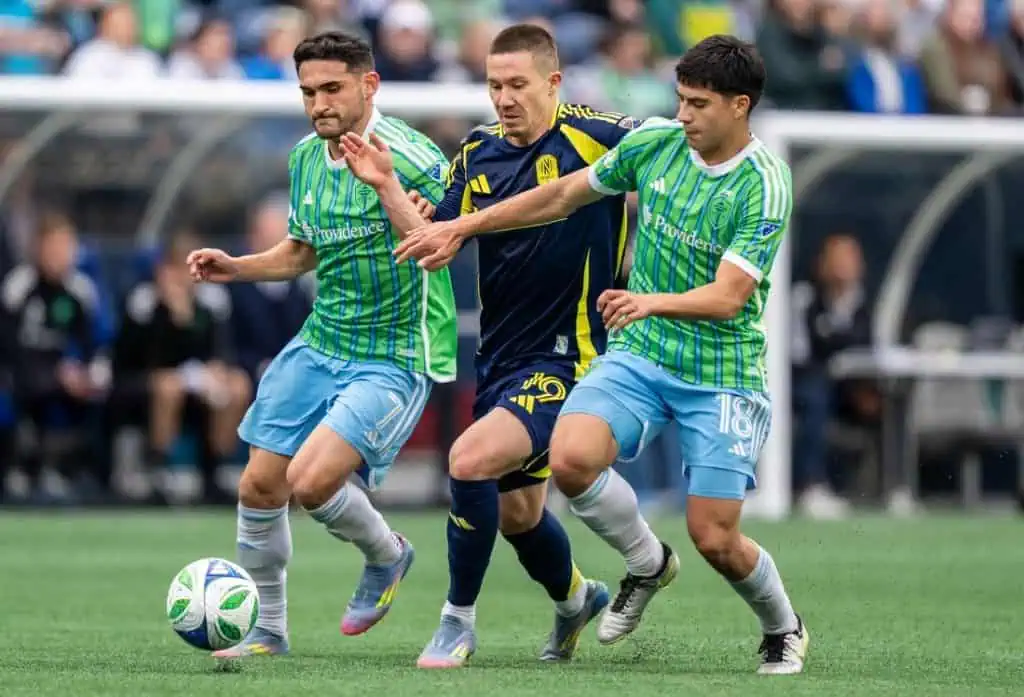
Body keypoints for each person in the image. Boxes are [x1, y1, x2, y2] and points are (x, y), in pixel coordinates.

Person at [396, 34, 809, 675]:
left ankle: (782, 625)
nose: (684, 116)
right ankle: (646, 563)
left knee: (716, 537)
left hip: (720, 370)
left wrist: (649, 301)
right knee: (570, 459)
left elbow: (730, 297)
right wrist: (461, 224)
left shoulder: (765, 184)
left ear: (739, 106)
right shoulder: (656, 145)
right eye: (679, 100)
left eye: (698, 104)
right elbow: (562, 194)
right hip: (642, 355)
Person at [341, 23, 639, 668]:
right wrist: (388, 187)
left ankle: (457, 621)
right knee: (519, 515)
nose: (503, 98)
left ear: (553, 83)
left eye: (517, 85)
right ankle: (575, 600)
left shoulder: (598, 134)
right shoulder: (476, 152)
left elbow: (673, 154)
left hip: (574, 355)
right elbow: (434, 240)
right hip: (502, 359)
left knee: (469, 459)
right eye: (493, 85)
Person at [185, 31, 457, 660]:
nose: (319, 104)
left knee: (312, 482)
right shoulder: (307, 157)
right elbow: (303, 252)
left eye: (332, 89)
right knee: (258, 486)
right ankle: (268, 631)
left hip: (394, 351)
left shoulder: (414, 156)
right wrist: (238, 266)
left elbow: (445, 246)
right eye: (308, 91)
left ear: (369, 86)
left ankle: (386, 554)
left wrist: (389, 188)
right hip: (322, 340)